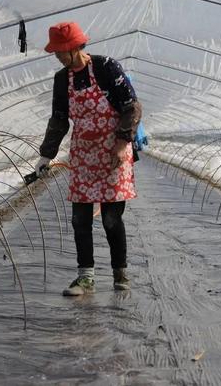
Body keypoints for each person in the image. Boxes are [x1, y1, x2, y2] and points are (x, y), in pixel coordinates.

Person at [35, 22, 142, 296]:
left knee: (110, 219)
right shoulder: (62, 79)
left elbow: (131, 107)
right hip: (83, 153)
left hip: (112, 153)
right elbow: (59, 119)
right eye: (56, 52)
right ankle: (85, 278)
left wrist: (121, 143)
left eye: (60, 51)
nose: (57, 57)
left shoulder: (106, 67)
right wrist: (46, 156)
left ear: (74, 47)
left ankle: (120, 274)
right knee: (80, 219)